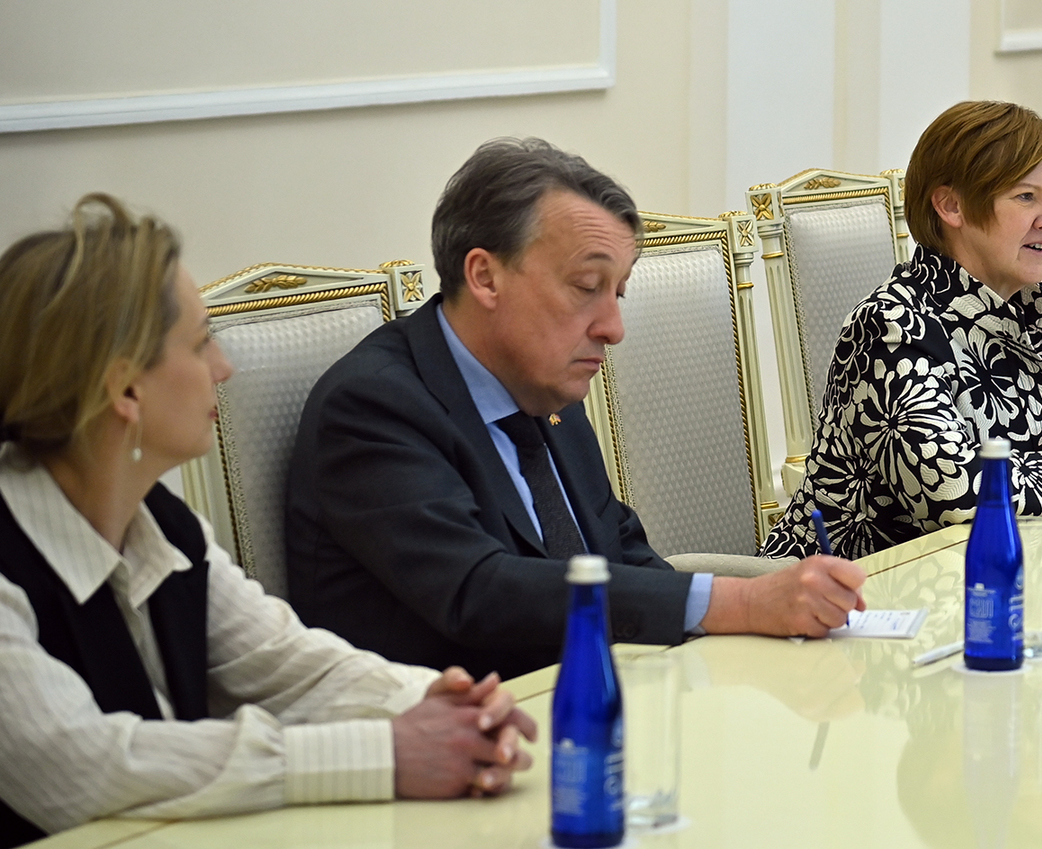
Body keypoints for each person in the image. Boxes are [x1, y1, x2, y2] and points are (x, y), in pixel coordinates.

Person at [0, 195, 536, 845]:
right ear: (125, 389)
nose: (223, 369)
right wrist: (385, 753)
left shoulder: (163, 526)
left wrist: (446, 708)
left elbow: (285, 664)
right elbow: (82, 766)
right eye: (200, 343)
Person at [287, 139, 866, 681]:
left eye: (618, 293)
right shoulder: (373, 408)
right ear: (485, 276)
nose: (613, 328)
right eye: (587, 286)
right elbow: (480, 590)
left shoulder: (542, 392)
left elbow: (620, 551)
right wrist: (737, 602)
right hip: (470, 728)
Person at [761, 101, 1042, 561]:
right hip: (848, 590)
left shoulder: (1039, 309)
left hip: (997, 572)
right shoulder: (892, 327)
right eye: (1026, 197)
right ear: (951, 206)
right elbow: (955, 494)